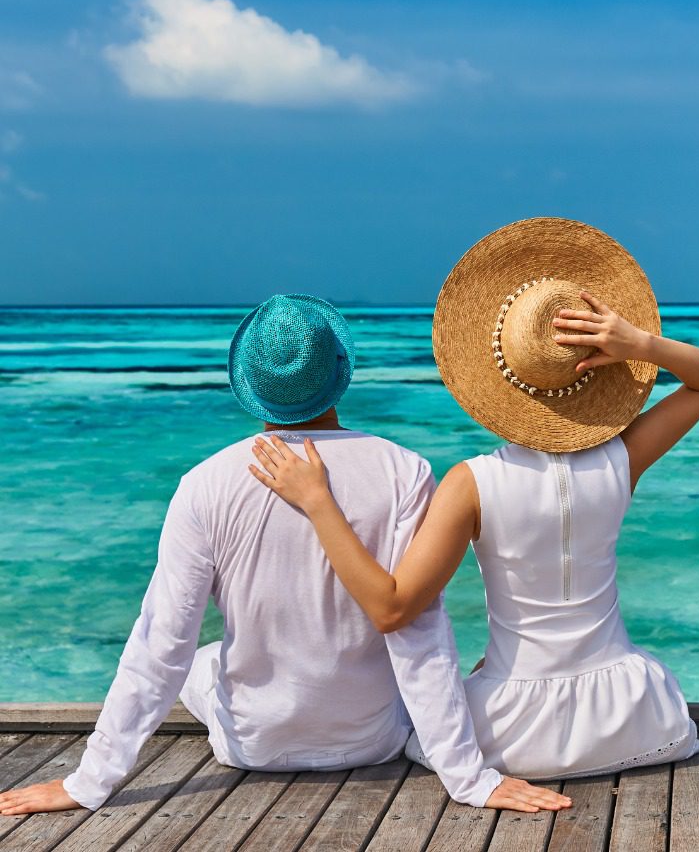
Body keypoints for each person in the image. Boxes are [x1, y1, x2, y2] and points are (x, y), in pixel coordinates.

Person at [0, 292, 570, 820]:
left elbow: (160, 645)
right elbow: (417, 633)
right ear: (340, 376)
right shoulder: (405, 470)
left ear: (247, 381)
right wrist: (467, 778)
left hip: (253, 745)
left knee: (194, 655)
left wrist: (88, 782)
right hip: (370, 740)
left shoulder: (205, 483)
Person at [248, 219, 699, 781]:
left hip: (515, 733)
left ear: (494, 377)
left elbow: (392, 608)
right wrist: (638, 344)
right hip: (636, 717)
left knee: (410, 718)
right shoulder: (622, 461)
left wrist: (318, 502)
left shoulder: (472, 483)